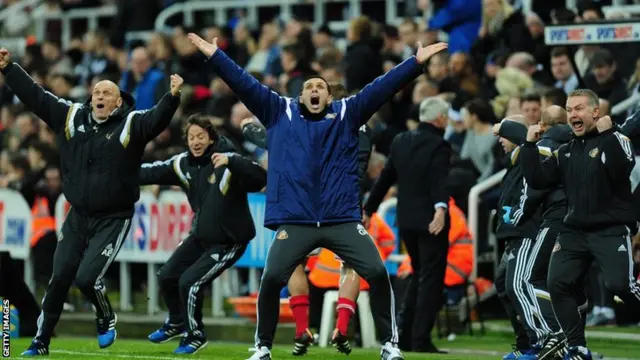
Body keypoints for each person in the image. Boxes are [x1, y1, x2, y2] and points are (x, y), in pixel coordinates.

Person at [187, 33, 448, 360]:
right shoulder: (278, 110)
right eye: (309, 86)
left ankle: (389, 345)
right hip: (296, 221)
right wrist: (216, 56)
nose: (314, 90)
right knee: (270, 279)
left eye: (320, 87)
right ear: (300, 95)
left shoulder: (348, 113)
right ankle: (263, 347)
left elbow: (382, 88)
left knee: (378, 273)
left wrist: (413, 64)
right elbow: (243, 82)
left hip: (341, 219)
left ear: (328, 96)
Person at [0, 47, 184, 356]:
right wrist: (9, 70)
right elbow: (36, 96)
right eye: (96, 91)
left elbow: (156, 121)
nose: (100, 95)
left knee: (86, 278)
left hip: (114, 216)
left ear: (118, 101)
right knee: (59, 277)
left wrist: (172, 98)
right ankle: (41, 341)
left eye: (107, 92)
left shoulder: (131, 124)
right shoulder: (71, 116)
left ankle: (106, 317)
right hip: (78, 215)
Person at [240, 82, 376, 356]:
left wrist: (251, 130)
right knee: (350, 266)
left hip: (311, 205)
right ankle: (341, 326)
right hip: (346, 205)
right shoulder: (361, 128)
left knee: (294, 264)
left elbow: (283, 143)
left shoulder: (333, 125)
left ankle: (303, 327)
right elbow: (360, 168)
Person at [521, 89, 640, 360]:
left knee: (621, 286)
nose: (573, 114)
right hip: (574, 231)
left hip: (610, 229)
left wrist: (608, 134)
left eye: (579, 108)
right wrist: (528, 147)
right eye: (569, 109)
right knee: (558, 283)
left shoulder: (617, 138)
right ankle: (577, 347)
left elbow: (621, 169)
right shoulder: (565, 152)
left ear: (595, 112)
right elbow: (538, 179)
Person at [139, 114, 267, 354]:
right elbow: (148, 173)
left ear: (211, 139)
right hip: (200, 237)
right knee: (167, 275)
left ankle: (195, 335)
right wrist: (117, 171)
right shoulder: (181, 164)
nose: (196, 141)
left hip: (230, 241)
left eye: (201, 136)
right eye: (191, 137)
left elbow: (261, 178)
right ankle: (177, 322)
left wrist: (232, 161)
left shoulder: (229, 163)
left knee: (190, 282)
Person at [363, 96, 452, 353]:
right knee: (430, 279)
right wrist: (440, 208)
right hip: (430, 221)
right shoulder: (439, 145)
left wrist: (369, 208)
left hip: (407, 221)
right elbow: (437, 180)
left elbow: (385, 177)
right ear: (440, 119)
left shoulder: (401, 141)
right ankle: (420, 339)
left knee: (418, 273)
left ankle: (404, 334)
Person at [494, 109, 571, 360]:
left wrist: (505, 125)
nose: (500, 140)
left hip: (528, 231)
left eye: (503, 135)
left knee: (520, 283)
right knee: (506, 285)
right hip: (516, 232)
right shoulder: (515, 161)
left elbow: (530, 195)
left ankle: (548, 339)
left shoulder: (536, 152)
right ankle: (529, 342)